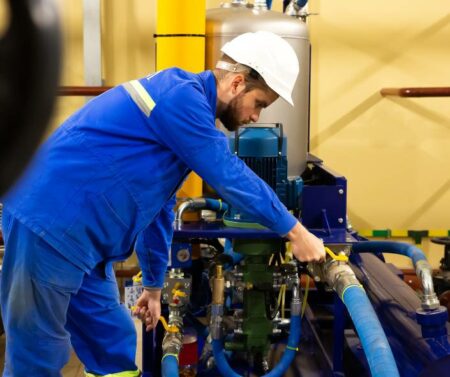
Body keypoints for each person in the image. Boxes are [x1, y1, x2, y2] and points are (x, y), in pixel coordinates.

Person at [0, 31, 325, 376]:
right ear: (236, 83)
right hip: (49, 225)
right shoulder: (180, 97)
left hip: (84, 243)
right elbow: (229, 175)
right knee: (39, 354)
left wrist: (154, 288)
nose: (256, 117)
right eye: (259, 103)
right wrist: (295, 231)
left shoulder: (186, 117)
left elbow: (157, 211)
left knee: (112, 343)